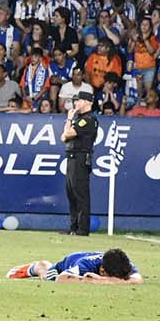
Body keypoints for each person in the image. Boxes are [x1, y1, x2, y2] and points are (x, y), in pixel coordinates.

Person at [62, 89, 97, 235]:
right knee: (71, 193)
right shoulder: (79, 119)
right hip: (71, 158)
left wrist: (69, 119)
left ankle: (82, 229)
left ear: (87, 102)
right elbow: (64, 137)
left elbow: (68, 133)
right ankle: (73, 228)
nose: (76, 103)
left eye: (79, 100)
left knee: (80, 194)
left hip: (81, 158)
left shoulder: (88, 119)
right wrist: (70, 121)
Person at [6, 248, 140, 284]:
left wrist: (101, 280)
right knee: (48, 276)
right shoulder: (85, 265)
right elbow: (62, 278)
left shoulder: (123, 264)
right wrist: (89, 280)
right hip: (64, 265)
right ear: (102, 270)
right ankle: (39, 266)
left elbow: (138, 279)